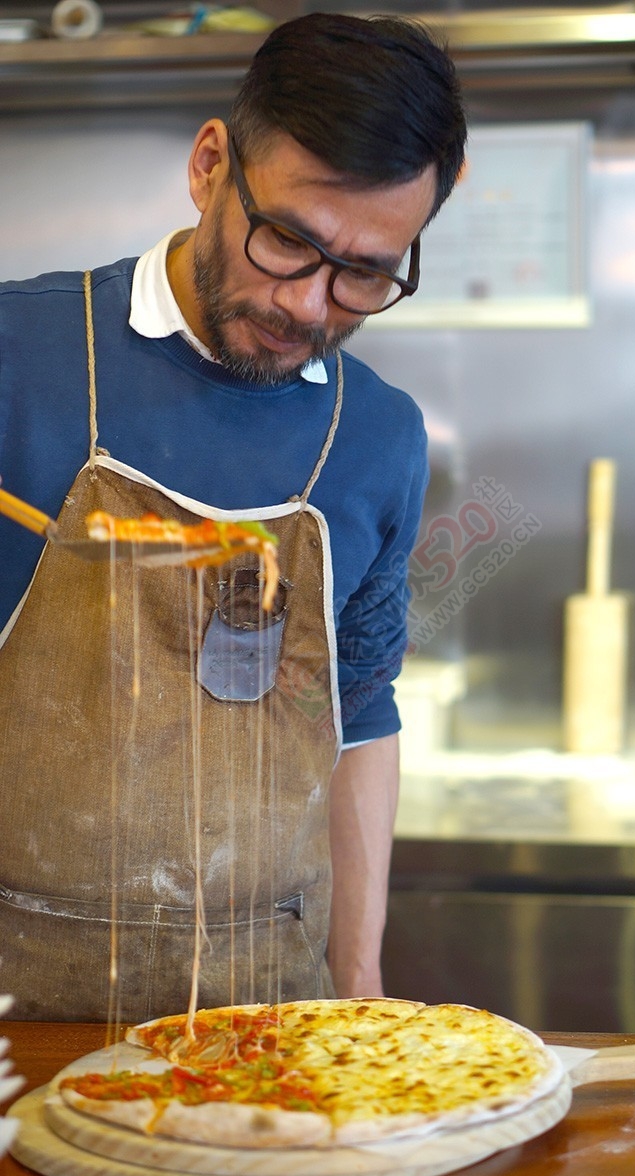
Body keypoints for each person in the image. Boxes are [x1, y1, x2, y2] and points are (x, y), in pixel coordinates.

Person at [0, 13, 467, 1021]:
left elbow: (355, 712)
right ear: (211, 166)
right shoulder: (16, 357)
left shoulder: (376, 436)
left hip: (264, 1020)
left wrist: (360, 991)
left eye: (367, 273)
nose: (310, 307)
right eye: (289, 241)